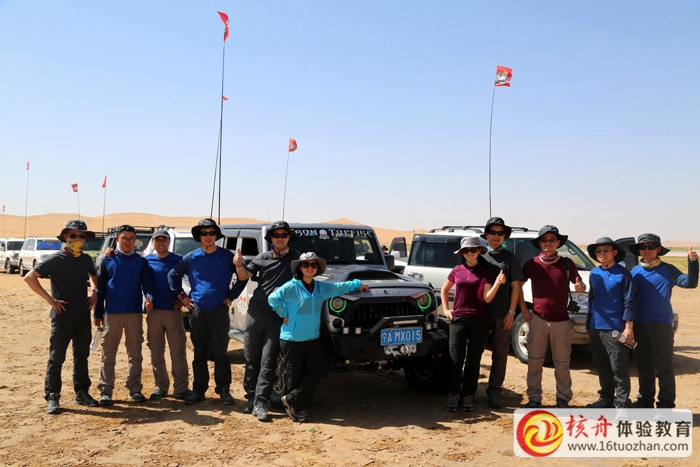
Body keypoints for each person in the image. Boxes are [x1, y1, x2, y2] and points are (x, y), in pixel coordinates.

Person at [268, 252, 370, 422]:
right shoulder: (291, 286)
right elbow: (273, 298)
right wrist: (283, 313)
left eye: (313, 265)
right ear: (300, 268)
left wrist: (358, 284)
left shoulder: (321, 287)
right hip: (292, 339)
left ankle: (292, 400)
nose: (310, 268)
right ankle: (297, 409)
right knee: (295, 375)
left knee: (317, 370)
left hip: (312, 337)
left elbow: (339, 287)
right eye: (306, 264)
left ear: (317, 268)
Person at [24, 220, 100, 414]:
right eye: (73, 235)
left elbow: (94, 275)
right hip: (62, 315)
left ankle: (82, 392)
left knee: (82, 355)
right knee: (56, 357)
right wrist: (50, 300)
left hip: (82, 314)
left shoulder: (85, 259)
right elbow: (29, 277)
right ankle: (52, 396)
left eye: (81, 236)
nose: (77, 239)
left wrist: (94, 292)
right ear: (66, 236)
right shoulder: (56, 259)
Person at [168, 218, 247, 406]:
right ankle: (199, 390)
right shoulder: (191, 257)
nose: (208, 236)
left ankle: (224, 389)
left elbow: (243, 278)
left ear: (216, 236)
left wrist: (232, 295)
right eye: (204, 233)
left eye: (212, 233)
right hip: (198, 311)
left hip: (219, 311)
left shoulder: (226, 256)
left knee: (221, 353)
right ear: (199, 236)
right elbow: (173, 275)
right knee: (200, 354)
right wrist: (183, 297)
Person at [233, 220, 300, 422]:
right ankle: (251, 398)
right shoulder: (262, 258)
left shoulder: (295, 258)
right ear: (270, 238)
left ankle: (261, 402)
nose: (280, 239)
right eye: (276, 235)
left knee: (268, 360)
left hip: (277, 317)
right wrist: (239, 264)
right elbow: (244, 275)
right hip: (255, 314)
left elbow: (306, 280)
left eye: (283, 235)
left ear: (289, 238)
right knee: (250, 358)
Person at [520, 225, 586, 409]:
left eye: (551, 240)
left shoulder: (567, 263)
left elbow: (580, 286)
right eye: (544, 240)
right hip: (537, 319)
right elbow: (517, 286)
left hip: (561, 321)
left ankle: (563, 399)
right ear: (539, 243)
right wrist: (524, 309)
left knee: (562, 363)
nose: (548, 243)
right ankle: (534, 398)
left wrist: (580, 287)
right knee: (534, 362)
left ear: (558, 242)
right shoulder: (531, 264)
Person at [629, 233, 698, 408]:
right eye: (643, 247)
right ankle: (645, 400)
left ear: (658, 249)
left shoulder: (668, 269)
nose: (647, 250)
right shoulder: (634, 271)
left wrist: (693, 262)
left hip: (661, 326)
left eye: (651, 246)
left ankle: (666, 404)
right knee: (643, 366)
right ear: (639, 250)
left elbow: (690, 283)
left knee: (664, 367)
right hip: (639, 325)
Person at [441, 237, 505, 412]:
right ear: (462, 253)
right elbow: (444, 290)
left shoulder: (485, 272)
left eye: (473, 250)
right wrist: (446, 309)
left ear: (478, 251)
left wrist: (497, 283)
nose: (469, 253)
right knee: (455, 358)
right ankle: (454, 394)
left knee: (474, 359)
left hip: (479, 320)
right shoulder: (457, 270)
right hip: (458, 320)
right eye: (466, 250)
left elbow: (487, 298)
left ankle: (469, 394)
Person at [94, 224, 153, 405]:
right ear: (117, 239)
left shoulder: (141, 261)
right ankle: (106, 391)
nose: (128, 242)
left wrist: (149, 298)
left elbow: (147, 285)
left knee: (135, 353)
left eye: (131, 238)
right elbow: (100, 288)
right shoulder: (108, 259)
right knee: (108, 354)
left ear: (136, 241)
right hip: (111, 313)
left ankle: (134, 389)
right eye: (124, 238)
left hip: (134, 313)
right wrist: (97, 313)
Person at [585, 237, 635, 409]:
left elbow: (629, 302)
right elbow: (591, 299)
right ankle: (606, 398)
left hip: (616, 328)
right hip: (596, 326)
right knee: (602, 365)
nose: (602, 253)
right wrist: (588, 324)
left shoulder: (624, 274)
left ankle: (622, 403)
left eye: (605, 250)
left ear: (614, 252)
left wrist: (629, 327)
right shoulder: (594, 273)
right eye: (598, 251)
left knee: (618, 367)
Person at [143, 229, 193, 401]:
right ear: (153, 242)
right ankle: (161, 386)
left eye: (164, 240)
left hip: (173, 312)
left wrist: (185, 298)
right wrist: (147, 298)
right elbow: (144, 282)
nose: (161, 243)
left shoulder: (178, 260)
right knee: (156, 352)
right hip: (154, 313)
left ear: (168, 242)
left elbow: (196, 278)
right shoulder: (147, 261)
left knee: (178, 352)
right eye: (157, 240)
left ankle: (181, 388)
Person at [480, 217, 524, 409]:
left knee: (500, 354)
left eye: (500, 233)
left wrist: (512, 312)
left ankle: (494, 392)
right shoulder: (477, 254)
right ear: (486, 234)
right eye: (493, 232)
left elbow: (516, 286)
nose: (496, 236)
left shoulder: (510, 257)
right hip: (479, 314)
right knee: (474, 353)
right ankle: (468, 391)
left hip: (502, 314)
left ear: (504, 236)